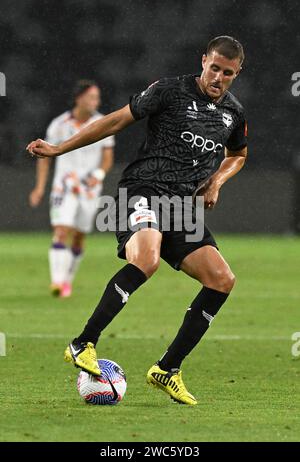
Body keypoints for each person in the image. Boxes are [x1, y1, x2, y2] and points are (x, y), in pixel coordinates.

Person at [27, 36, 248, 405]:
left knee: (222, 280)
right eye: (214, 68)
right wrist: (59, 148)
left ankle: (167, 369)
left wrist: (216, 182)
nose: (219, 77)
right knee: (145, 259)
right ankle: (83, 343)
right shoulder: (169, 90)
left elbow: (238, 154)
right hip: (142, 190)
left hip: (181, 208)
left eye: (228, 73)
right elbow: (115, 121)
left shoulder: (233, 114)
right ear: (204, 61)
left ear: (236, 73)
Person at [29, 80, 114, 297]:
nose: (97, 101)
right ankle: (57, 283)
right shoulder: (59, 125)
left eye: (97, 97)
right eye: (93, 97)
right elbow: (44, 158)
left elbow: (107, 158)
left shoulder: (103, 123)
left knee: (78, 237)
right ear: (79, 98)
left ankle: (67, 280)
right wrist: (40, 187)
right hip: (63, 188)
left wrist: (99, 174)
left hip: (89, 189)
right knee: (61, 231)